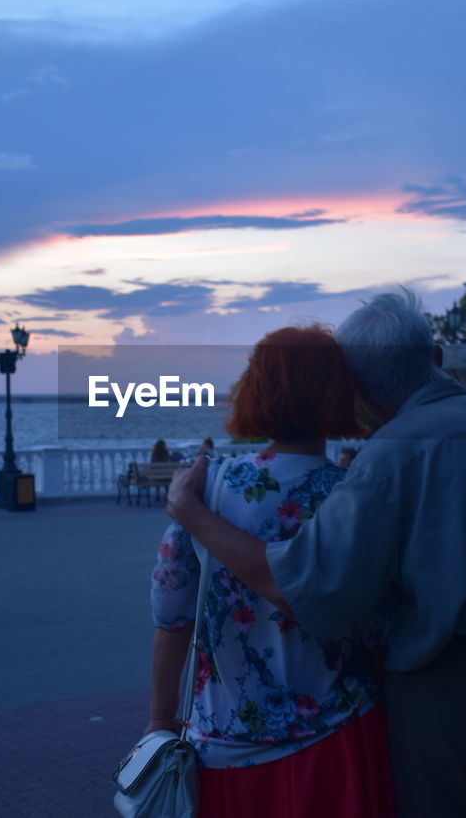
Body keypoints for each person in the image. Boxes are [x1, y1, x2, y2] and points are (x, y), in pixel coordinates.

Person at [165, 290, 466, 818]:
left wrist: (193, 513)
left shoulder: (391, 455)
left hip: (442, 688)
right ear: (437, 357)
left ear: (357, 391)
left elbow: (302, 586)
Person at [145, 324, 395, 817]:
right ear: (338, 394)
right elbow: (378, 630)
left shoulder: (205, 489)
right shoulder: (354, 495)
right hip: (338, 738)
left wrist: (157, 722)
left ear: (254, 389)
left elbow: (172, 617)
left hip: (222, 746)